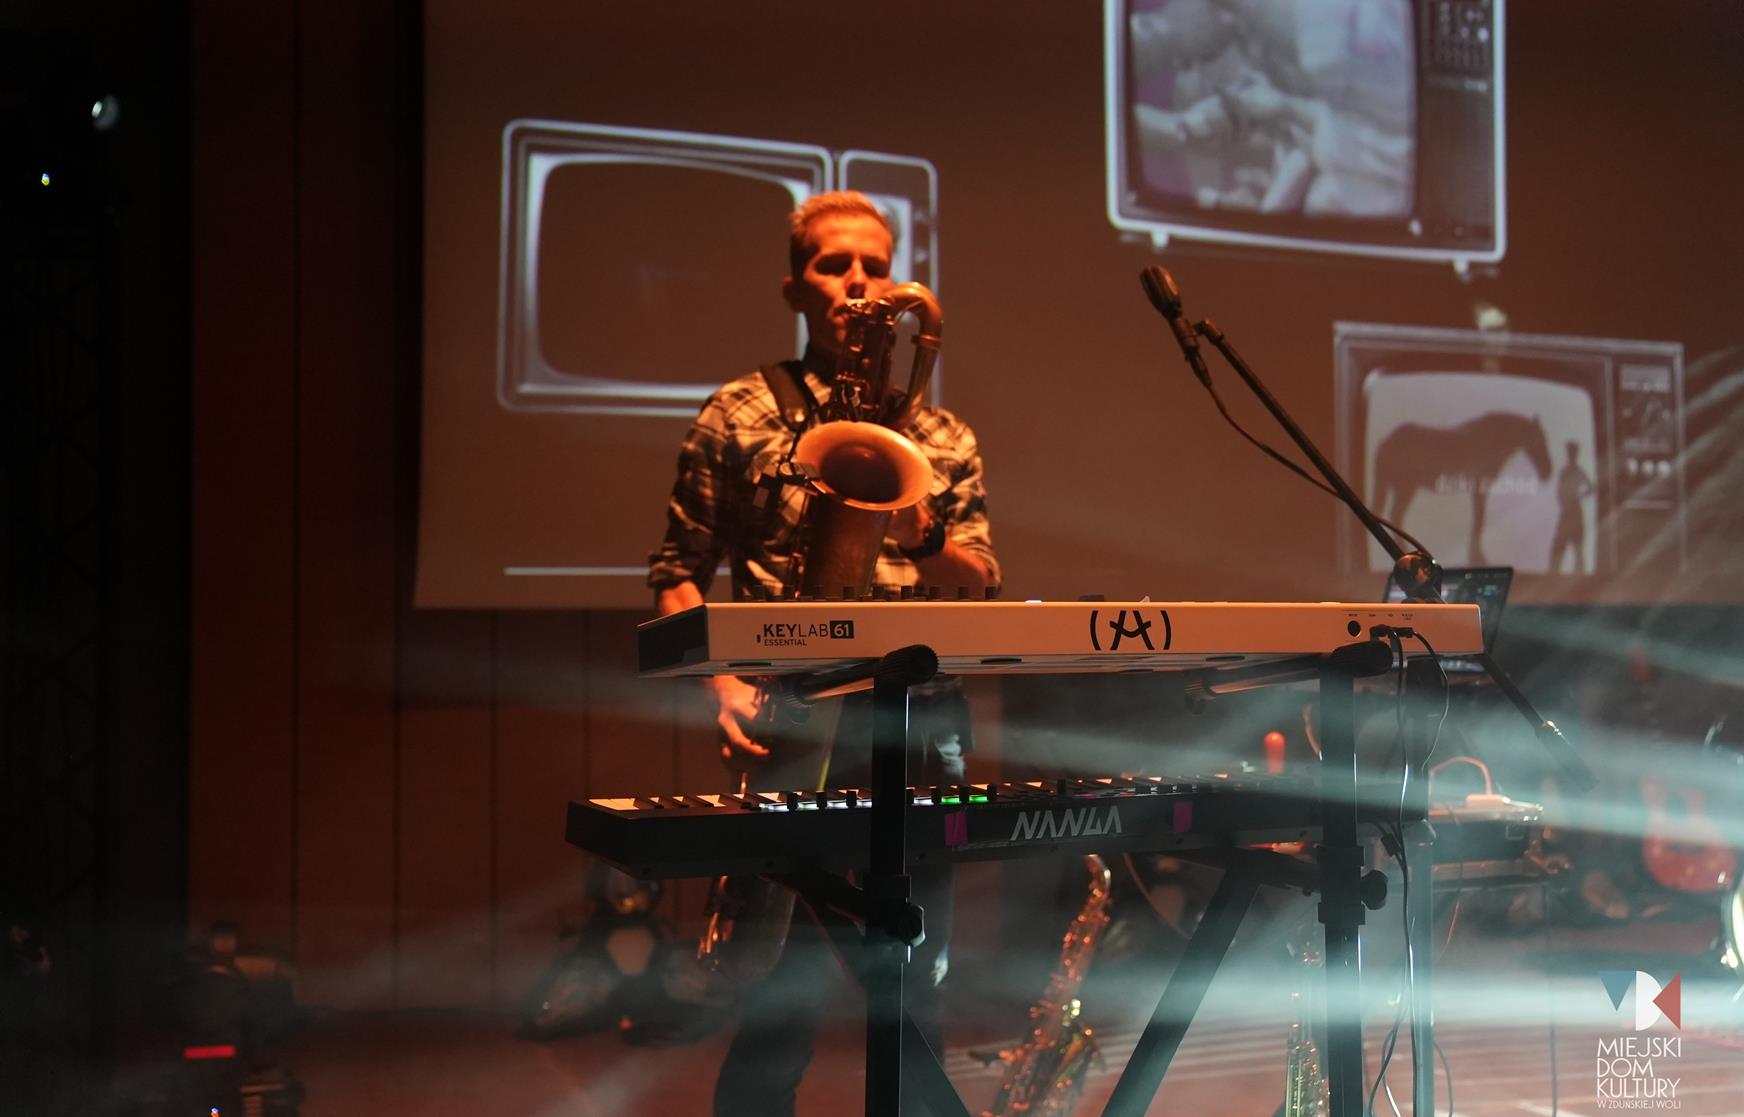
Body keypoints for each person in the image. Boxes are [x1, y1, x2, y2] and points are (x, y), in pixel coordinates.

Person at [648, 190, 1000, 1117]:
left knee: (918, 987)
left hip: (921, 724)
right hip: (794, 721)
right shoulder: (738, 412)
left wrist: (922, 531)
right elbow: (678, 573)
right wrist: (724, 687)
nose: (856, 281)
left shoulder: (943, 436)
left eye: (873, 266)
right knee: (779, 999)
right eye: (833, 264)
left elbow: (980, 584)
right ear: (794, 288)